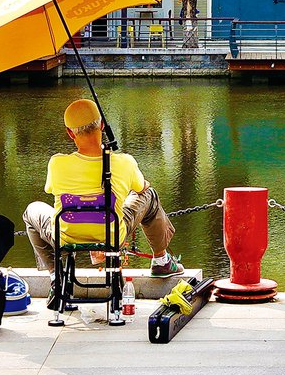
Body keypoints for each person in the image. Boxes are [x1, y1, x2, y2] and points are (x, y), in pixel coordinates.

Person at [22, 99, 184, 287]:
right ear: (102, 125)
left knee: (31, 210)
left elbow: (50, 189)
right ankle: (161, 261)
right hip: (112, 234)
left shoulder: (56, 163)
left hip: (66, 235)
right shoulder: (124, 162)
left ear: (69, 133)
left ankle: (55, 276)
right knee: (150, 195)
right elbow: (141, 189)